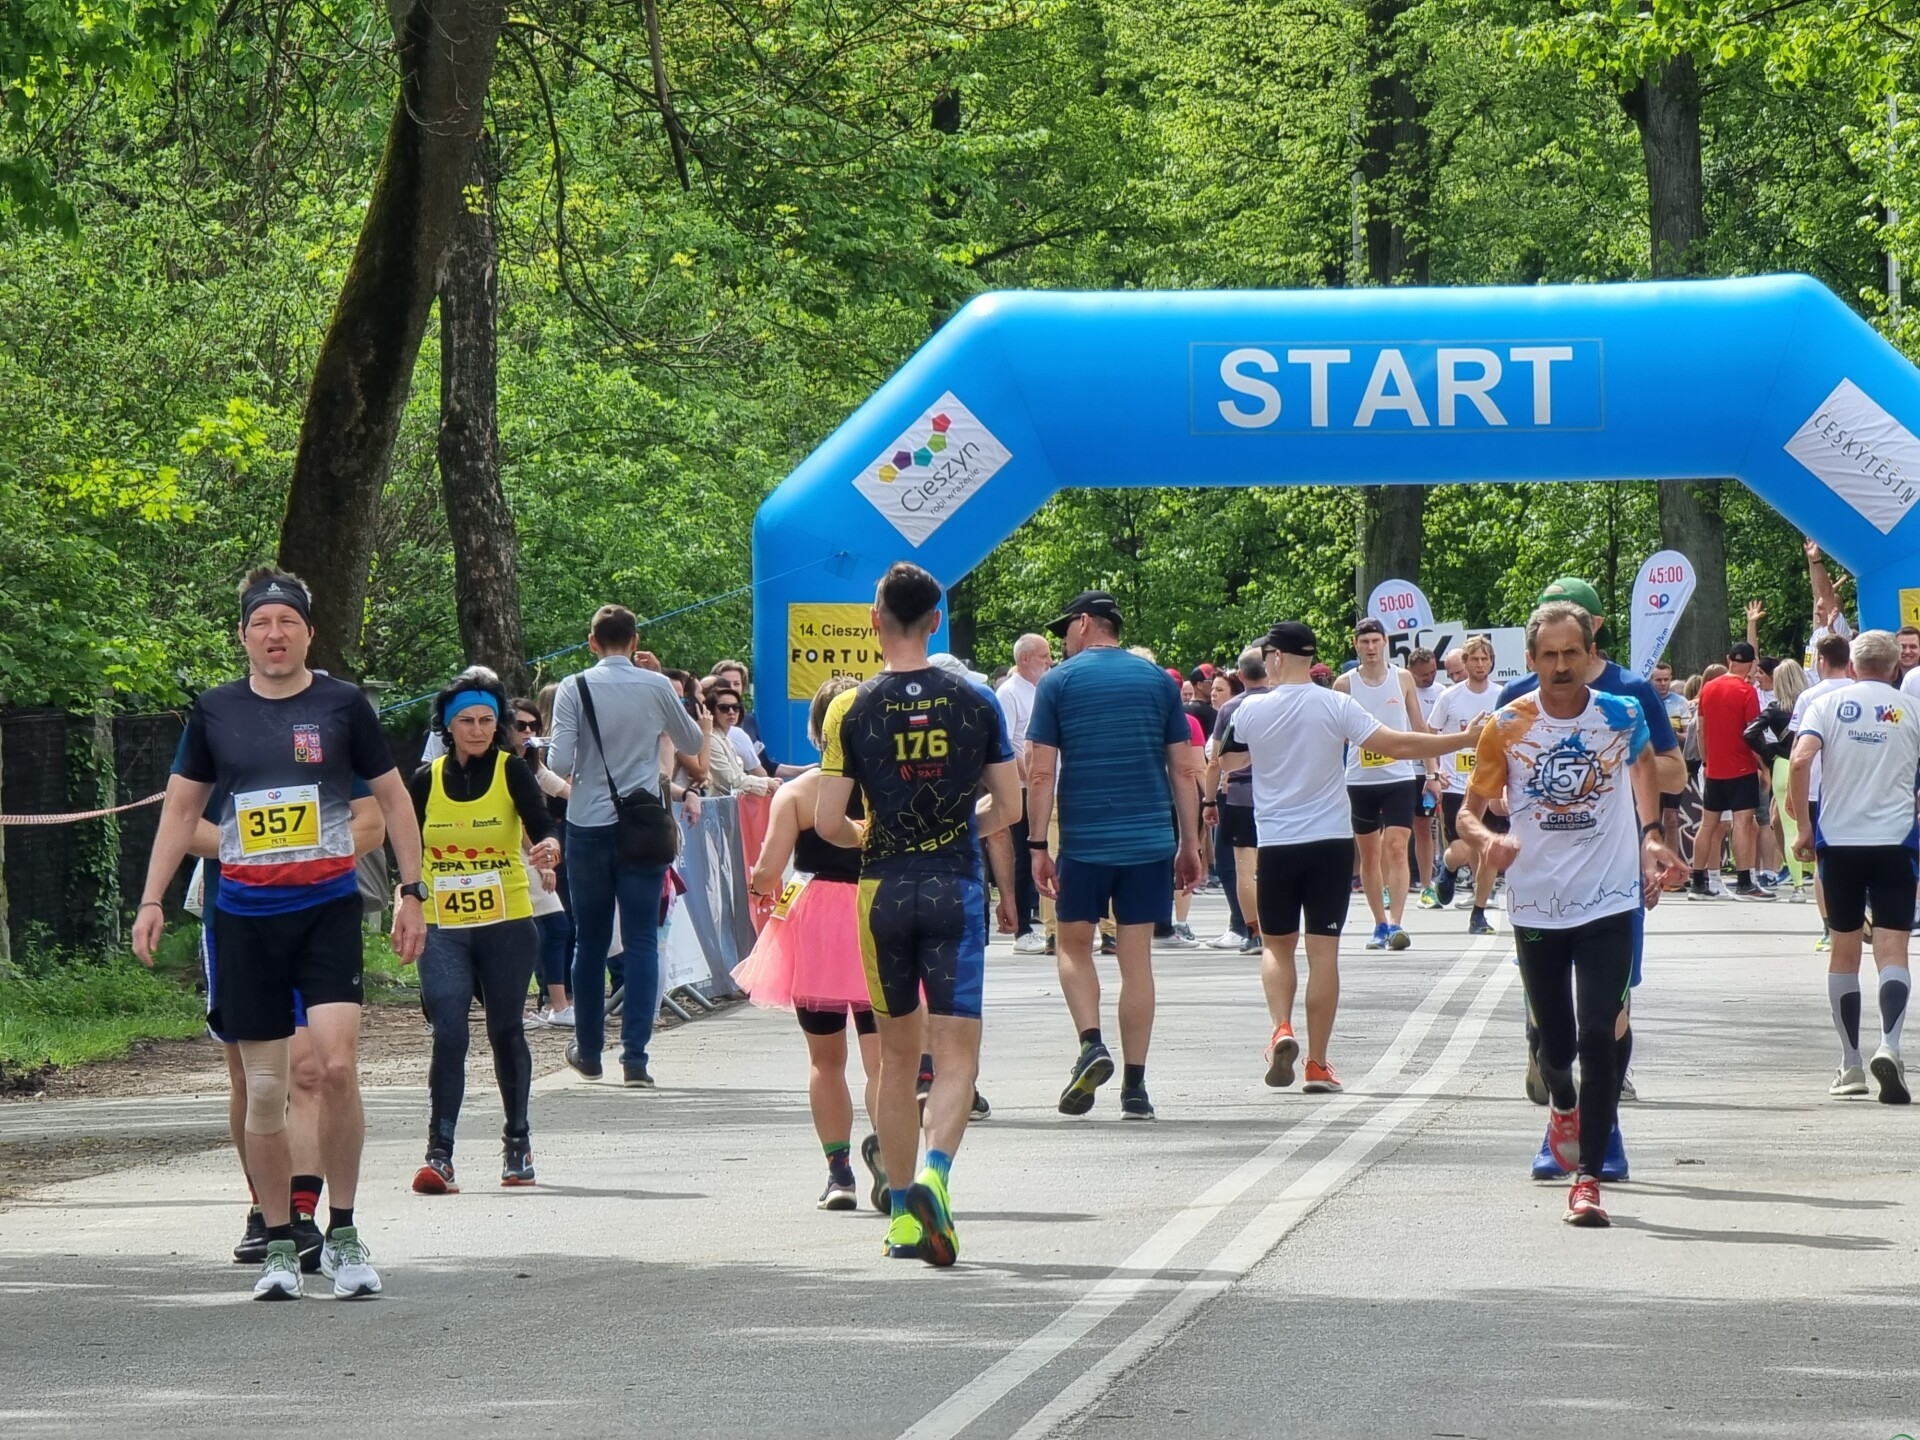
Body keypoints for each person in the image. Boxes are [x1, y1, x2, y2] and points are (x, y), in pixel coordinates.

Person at [133, 566, 426, 1300]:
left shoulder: (342, 705)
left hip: (326, 909)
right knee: (264, 1088)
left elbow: (390, 800)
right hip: (244, 916)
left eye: (286, 623)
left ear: (307, 632)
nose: (274, 635)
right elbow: (178, 811)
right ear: (243, 637)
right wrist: (151, 900)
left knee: (331, 1069)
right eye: (261, 624)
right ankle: (276, 1243)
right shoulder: (215, 712)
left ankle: (347, 1231)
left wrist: (413, 892)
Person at [814, 563, 1021, 1267]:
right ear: (936, 621)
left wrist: (870, 834)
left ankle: (903, 1215)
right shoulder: (977, 700)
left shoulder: (850, 708)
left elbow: (825, 817)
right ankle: (937, 1174)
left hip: (883, 892)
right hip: (955, 887)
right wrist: (960, 825)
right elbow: (1012, 807)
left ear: (876, 620)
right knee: (956, 1056)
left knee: (895, 1062)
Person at [1460, 602, 1686, 1228]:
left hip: (1610, 899)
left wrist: (1648, 837)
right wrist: (1489, 842)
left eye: (1571, 654)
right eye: (1548, 656)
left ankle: (1586, 1179)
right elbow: (1467, 811)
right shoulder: (1506, 725)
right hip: (1536, 901)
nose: (1561, 667)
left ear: (1590, 655)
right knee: (1554, 1046)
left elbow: (1645, 765)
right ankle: (1561, 1101)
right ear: (1530, 661)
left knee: (1598, 1033)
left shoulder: (1622, 713)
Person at [1220, 622, 1474, 1094]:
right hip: (1330, 843)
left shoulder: (1252, 709)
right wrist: (1462, 741)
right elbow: (1398, 744)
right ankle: (1317, 1064)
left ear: (1276, 657)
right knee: (1323, 953)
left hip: (1276, 841)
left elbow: (1228, 760)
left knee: (1277, 947)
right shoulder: (1335, 702)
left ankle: (1281, 1028)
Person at [1492, 575, 1684, 1131]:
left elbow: (1670, 770)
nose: (1558, 659)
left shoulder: (1631, 694)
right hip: (1541, 877)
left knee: (1609, 1013)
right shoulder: (1517, 698)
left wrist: (1614, 773)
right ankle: (1554, 1074)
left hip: (1615, 864)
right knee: (1552, 1020)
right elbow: (1502, 781)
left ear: (1594, 630)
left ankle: (1606, 1125)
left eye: (1571, 631)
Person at [189, 779, 384, 1270]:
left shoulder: (328, 725)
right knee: (254, 1081)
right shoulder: (221, 727)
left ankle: (301, 1215)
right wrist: (262, 849)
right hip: (239, 918)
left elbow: (371, 819)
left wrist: (314, 850)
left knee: (311, 1072)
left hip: (318, 916)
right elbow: (185, 825)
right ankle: (262, 1205)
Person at [1027, 591, 1205, 1124]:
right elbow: (1184, 769)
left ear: (1084, 624)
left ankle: (1090, 1044)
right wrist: (1190, 842)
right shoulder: (1157, 681)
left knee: (1074, 945)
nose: (1062, 639)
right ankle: (1135, 1088)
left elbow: (1040, 772)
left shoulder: (1058, 682)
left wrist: (1038, 845)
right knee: (1137, 961)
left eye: (1065, 628)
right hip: (1149, 841)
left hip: (1085, 841)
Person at [408, 669, 561, 1193]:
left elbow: (540, 821)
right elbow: (405, 847)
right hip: (443, 924)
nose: (477, 729)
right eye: (466, 721)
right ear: (448, 727)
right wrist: (407, 900)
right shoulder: (425, 780)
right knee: (448, 1031)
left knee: (505, 1029)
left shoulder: (511, 770)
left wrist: (549, 846)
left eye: (486, 721)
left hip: (506, 920)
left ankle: (517, 1142)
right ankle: (439, 1153)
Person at [737, 676, 885, 1212]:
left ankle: (839, 1171)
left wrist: (759, 887)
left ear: (816, 730)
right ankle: (890, 1154)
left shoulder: (798, 793)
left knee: (826, 1060)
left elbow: (769, 869)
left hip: (816, 920)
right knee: (883, 1059)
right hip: (876, 914)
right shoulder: (890, 785)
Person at [548, 604, 710, 1088]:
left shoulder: (574, 687)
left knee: (591, 938)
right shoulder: (657, 686)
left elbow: (558, 759)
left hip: (588, 823)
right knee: (641, 938)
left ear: (592, 642)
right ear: (636, 642)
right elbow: (691, 739)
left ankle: (590, 1050)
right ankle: (636, 1055)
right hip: (642, 822)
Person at [1789, 630, 1920, 1103]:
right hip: (1895, 842)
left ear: (1850, 667)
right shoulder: (1913, 710)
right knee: (1893, 951)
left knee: (1844, 952)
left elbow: (1801, 760)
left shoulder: (1828, 704)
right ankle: (1891, 1045)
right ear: (1894, 669)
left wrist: (1804, 826)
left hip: (1839, 842)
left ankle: (1850, 1063)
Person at [1334, 619, 1437, 950]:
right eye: (1364, 641)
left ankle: (1396, 923)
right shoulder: (1344, 684)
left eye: (1376, 640)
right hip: (1360, 779)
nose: (1370, 647)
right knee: (1369, 854)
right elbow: (1334, 737)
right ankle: (1378, 923)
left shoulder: (1402, 678)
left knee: (1396, 846)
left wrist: (1432, 773)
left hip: (1399, 777)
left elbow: (1419, 727)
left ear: (1385, 642)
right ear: (1356, 644)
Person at [1427, 635, 1503, 935]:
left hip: (1492, 783)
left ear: (1492, 661)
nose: (1480, 664)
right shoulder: (1451, 697)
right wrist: (1433, 773)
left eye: (1485, 659)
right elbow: (1431, 735)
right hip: (1457, 784)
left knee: (1490, 851)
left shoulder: (1502, 695)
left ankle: (1478, 912)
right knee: (1461, 848)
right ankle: (1448, 868)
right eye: (1475, 659)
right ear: (1466, 663)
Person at [1787, 633, 1856, 951]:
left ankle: (1830, 927)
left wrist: (1790, 792)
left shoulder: (1809, 696)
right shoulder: (1859, 693)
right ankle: (1857, 914)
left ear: (1821, 660)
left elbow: (1797, 750)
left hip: (1815, 788)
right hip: (1852, 786)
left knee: (1821, 861)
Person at [1691, 641, 1771, 900]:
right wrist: (1764, 766)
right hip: (1741, 767)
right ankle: (1745, 881)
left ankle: (1698, 882)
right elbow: (1752, 734)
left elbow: (1701, 729)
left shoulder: (1708, 688)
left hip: (1714, 768)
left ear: (1728, 659)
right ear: (1751, 664)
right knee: (1743, 823)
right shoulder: (1747, 691)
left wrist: (1706, 761)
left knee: (1707, 825)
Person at [512, 696, 575, 1026]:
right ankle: (527, 1006)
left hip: (531, 854)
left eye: (533, 726)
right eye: (520, 725)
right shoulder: (506, 766)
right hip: (516, 856)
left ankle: (556, 1004)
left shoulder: (533, 765)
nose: (528, 732)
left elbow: (566, 791)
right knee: (529, 931)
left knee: (552, 927)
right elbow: (518, 821)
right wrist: (543, 861)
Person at [1204, 648, 1270, 958]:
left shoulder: (1230, 709)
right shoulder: (1281, 703)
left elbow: (1215, 760)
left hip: (1240, 796)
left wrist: (1209, 800)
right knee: (1276, 865)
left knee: (1245, 868)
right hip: (1279, 795)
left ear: (1240, 676)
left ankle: (1254, 932)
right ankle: (1279, 928)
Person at [996, 634, 1053, 954]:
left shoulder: (1041, 690)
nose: (1049, 661)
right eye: (1043, 656)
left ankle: (1046, 919)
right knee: (1022, 854)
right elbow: (1007, 743)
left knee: (1045, 851)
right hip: (1020, 788)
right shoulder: (1008, 693)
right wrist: (1029, 777)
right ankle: (1022, 929)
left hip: (1042, 786)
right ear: (1025, 659)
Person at [1407, 648, 1446, 910]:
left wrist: (1435, 770)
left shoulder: (1441, 692)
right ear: (1410, 671)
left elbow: (1439, 732)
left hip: (1427, 770)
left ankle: (1426, 885)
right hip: (1399, 768)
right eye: (1423, 675)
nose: (1428, 678)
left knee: (1424, 827)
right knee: (1393, 832)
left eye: (1432, 672)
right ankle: (1388, 885)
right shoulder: (1400, 688)